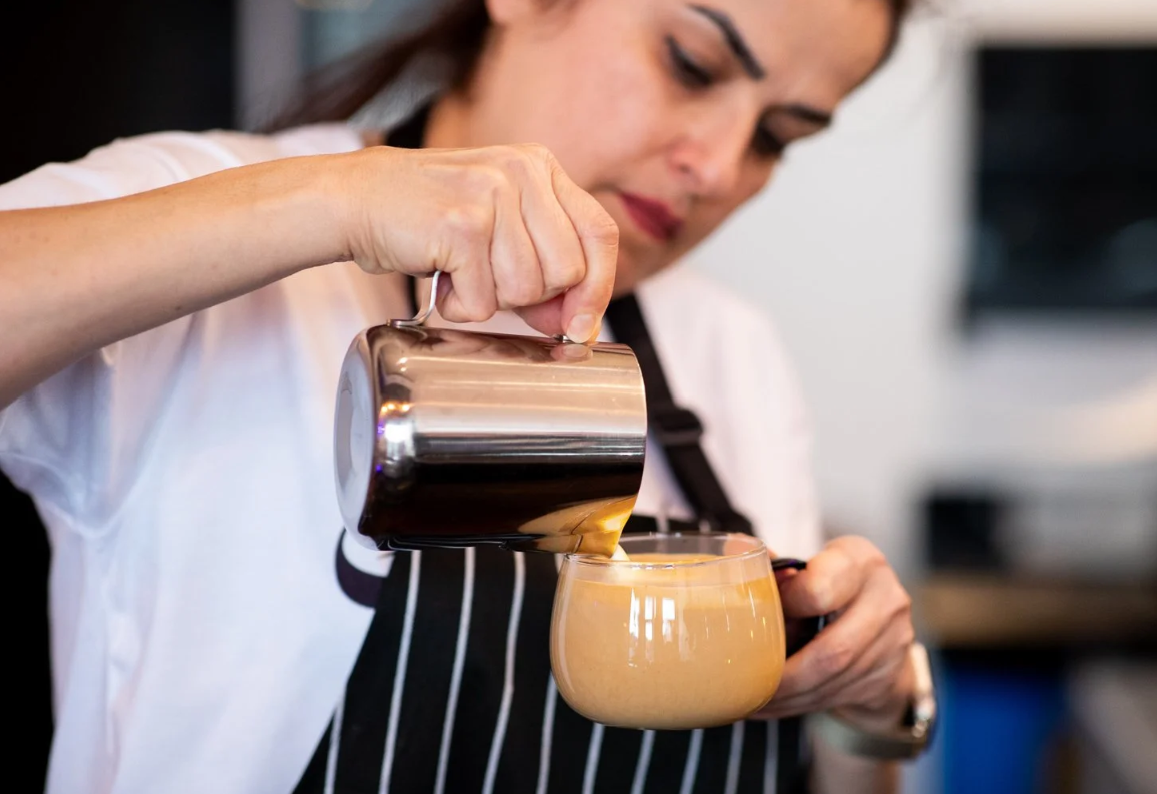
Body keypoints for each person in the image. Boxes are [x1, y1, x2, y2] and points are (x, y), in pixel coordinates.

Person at [0, 0, 923, 792]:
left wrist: (872, 694)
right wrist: (331, 204)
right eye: (692, 62)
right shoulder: (204, 216)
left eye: (777, 136)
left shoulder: (734, 352)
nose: (720, 167)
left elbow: (824, 746)